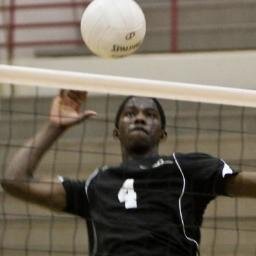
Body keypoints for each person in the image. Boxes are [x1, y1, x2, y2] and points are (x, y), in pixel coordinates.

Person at [1, 90, 256, 256]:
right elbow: (15, 180)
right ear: (116, 131)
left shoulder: (185, 168)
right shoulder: (97, 183)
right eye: (130, 114)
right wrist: (54, 127)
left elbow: (247, 183)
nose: (140, 118)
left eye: (151, 114)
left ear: (162, 133)